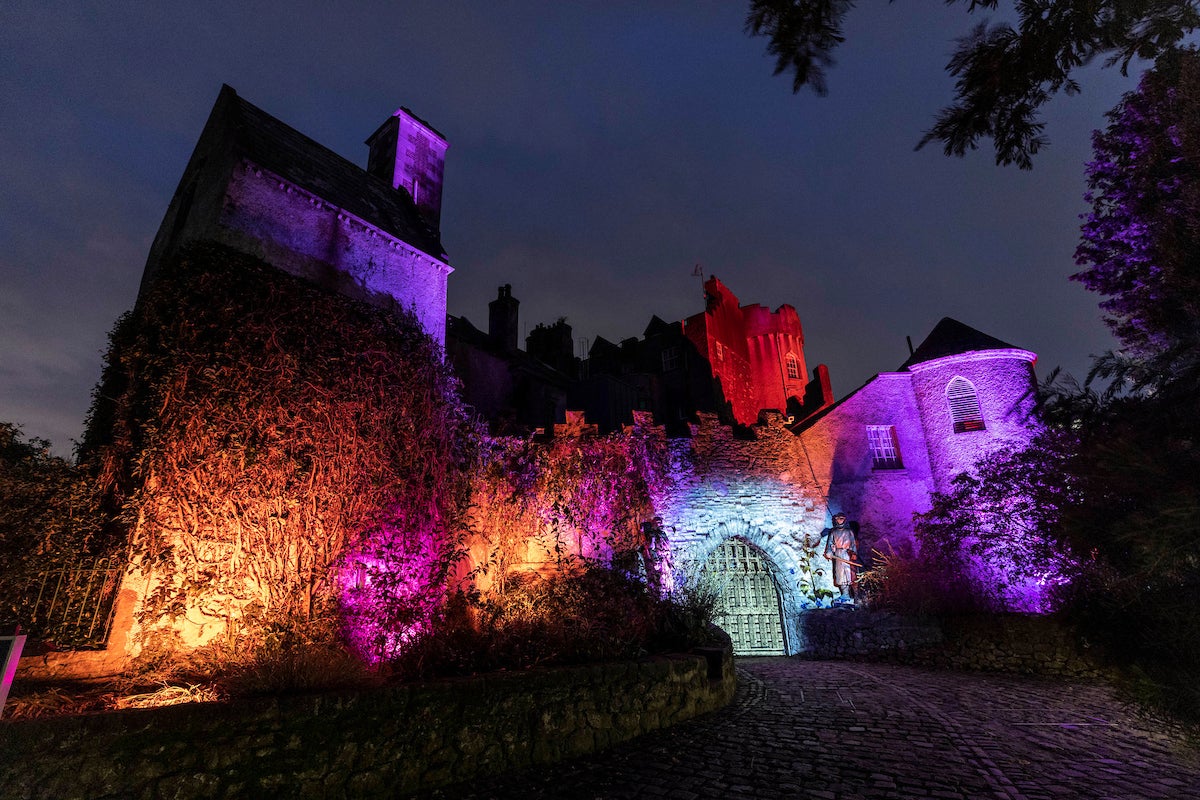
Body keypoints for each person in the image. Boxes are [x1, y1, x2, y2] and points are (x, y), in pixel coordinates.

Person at [822, 512, 860, 603]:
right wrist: (829, 552)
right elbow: (830, 543)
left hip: (848, 554)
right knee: (840, 575)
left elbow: (853, 543)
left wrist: (854, 553)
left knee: (851, 574)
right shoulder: (833, 532)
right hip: (838, 555)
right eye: (838, 519)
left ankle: (856, 595)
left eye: (842, 518)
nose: (840, 520)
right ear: (836, 520)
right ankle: (845, 594)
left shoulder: (849, 531)